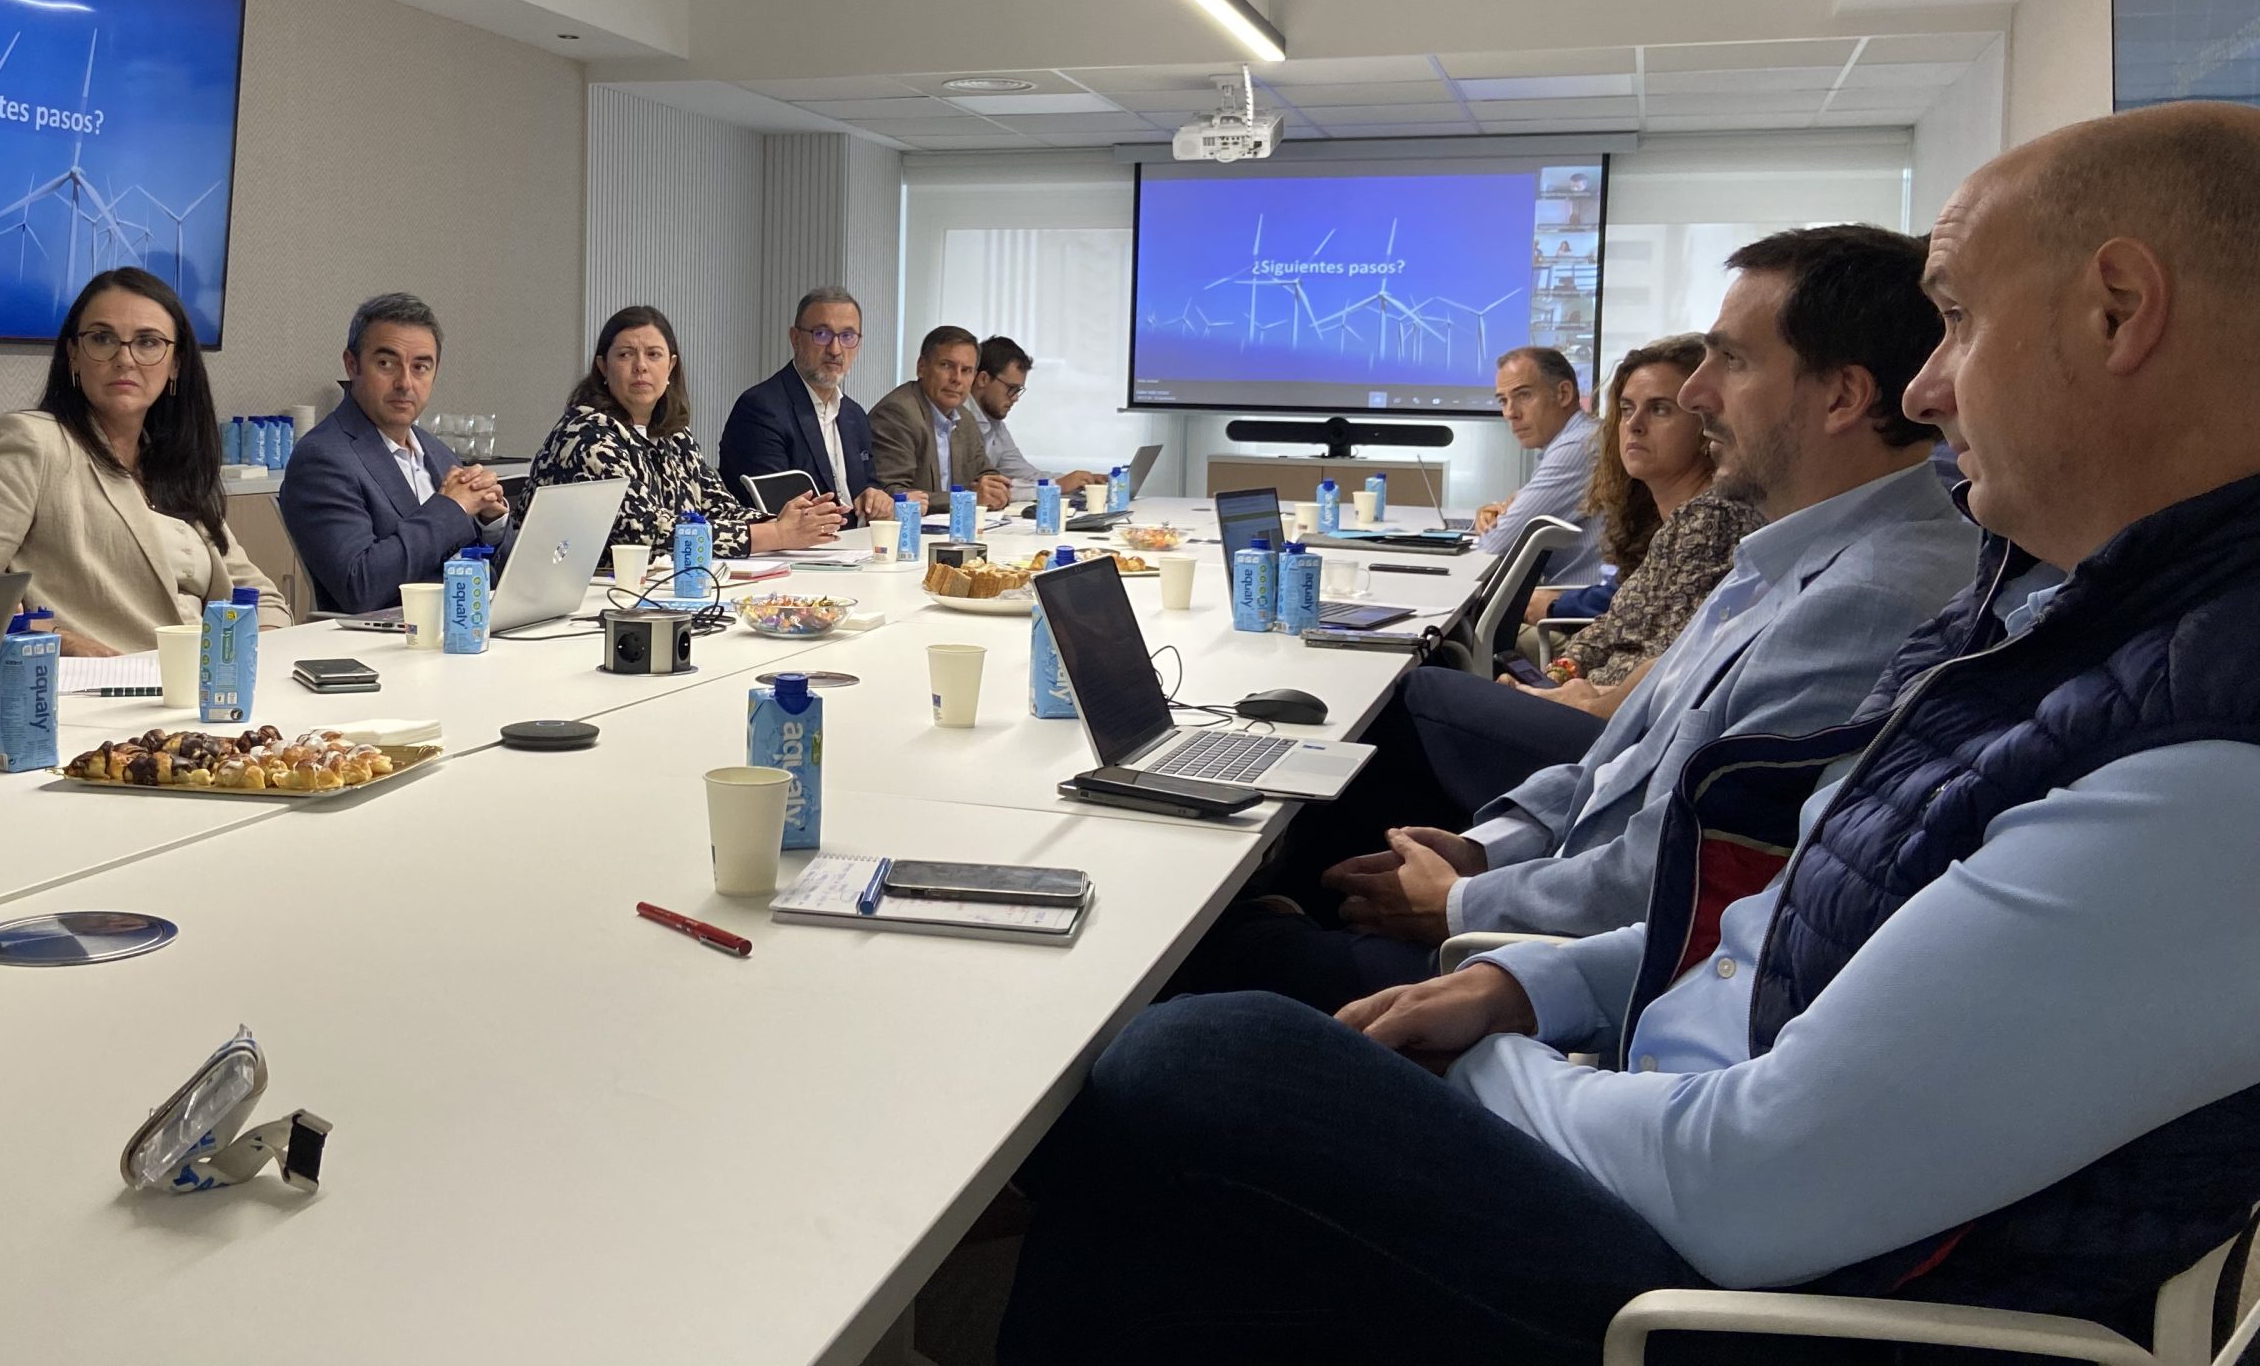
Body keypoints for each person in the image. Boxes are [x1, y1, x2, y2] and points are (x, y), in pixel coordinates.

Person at [1002, 100, 2260, 1366]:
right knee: (1180, 1101)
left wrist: (1488, 1060)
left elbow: (1752, 1185)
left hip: (1748, 1297)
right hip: (1664, 1097)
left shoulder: (2205, 769)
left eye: (1962, 320)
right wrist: (1527, 981)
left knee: (1197, 1053)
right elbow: (1781, 920)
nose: (1930, 388)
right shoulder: (2057, 628)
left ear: (2118, 312)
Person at [1180, 227, 1977, 1012]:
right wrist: (1480, 850)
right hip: (1549, 895)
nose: (1697, 394)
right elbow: (1619, 762)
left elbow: (1674, 877)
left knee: (1206, 971)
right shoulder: (1792, 549)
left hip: (1558, 966)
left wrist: (1459, 903)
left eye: (1732, 361)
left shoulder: (1867, 601)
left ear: (1843, 396)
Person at [0, 267, 288, 655]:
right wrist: (58, 640)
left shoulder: (173, 465)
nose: (124, 358)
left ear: (176, 364)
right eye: (102, 338)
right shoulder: (32, 442)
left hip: (206, 682)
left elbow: (263, 598)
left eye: (148, 342)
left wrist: (253, 656)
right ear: (74, 355)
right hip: (101, 683)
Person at [1515, 332, 1759, 720]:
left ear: (1706, 424)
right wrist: (1554, 679)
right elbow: (1612, 628)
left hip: (1611, 731)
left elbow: (1668, 671)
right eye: (1627, 409)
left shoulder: (1713, 518)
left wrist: (1569, 698)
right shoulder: (1670, 519)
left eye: (1659, 409)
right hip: (1586, 707)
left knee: (1427, 685)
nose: (1634, 425)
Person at [529, 306, 841, 562]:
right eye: (625, 355)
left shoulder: (675, 436)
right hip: (579, 596)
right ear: (602, 367)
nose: (640, 366)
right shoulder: (587, 434)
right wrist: (774, 535)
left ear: (671, 367)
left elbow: (716, 506)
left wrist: (782, 522)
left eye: (654, 354)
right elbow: (643, 534)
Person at [281, 291, 513, 615]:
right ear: (352, 365)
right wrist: (452, 508)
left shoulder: (438, 453)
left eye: (420, 367)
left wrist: (492, 525)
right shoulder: (322, 458)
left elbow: (494, 574)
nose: (405, 383)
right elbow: (360, 584)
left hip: (465, 626)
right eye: (386, 364)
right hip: (386, 638)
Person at [718, 286, 894, 525]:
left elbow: (868, 487)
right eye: (821, 334)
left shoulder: (854, 415)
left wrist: (877, 499)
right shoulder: (761, 409)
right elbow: (777, 513)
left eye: (847, 336)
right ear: (795, 338)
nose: (835, 349)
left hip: (855, 543)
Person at [1470, 345, 1604, 582]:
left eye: (1523, 395)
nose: (1510, 412)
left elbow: (1495, 544)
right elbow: (1512, 516)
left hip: (1576, 601)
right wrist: (1498, 511)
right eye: (1503, 400)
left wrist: (1502, 521)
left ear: (1563, 394)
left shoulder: (1579, 446)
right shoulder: (1579, 437)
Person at [869, 325, 1001, 508]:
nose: (957, 379)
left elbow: (985, 475)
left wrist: (996, 490)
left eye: (966, 370)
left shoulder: (965, 419)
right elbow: (889, 492)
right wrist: (968, 499)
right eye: (947, 366)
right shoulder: (897, 413)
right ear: (921, 367)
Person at [971, 336, 1095, 496]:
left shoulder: (995, 426)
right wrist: (1056, 486)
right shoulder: (957, 421)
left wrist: (1080, 481)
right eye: (1011, 388)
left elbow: (1027, 475)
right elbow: (975, 488)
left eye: (1018, 390)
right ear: (983, 379)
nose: (1015, 398)